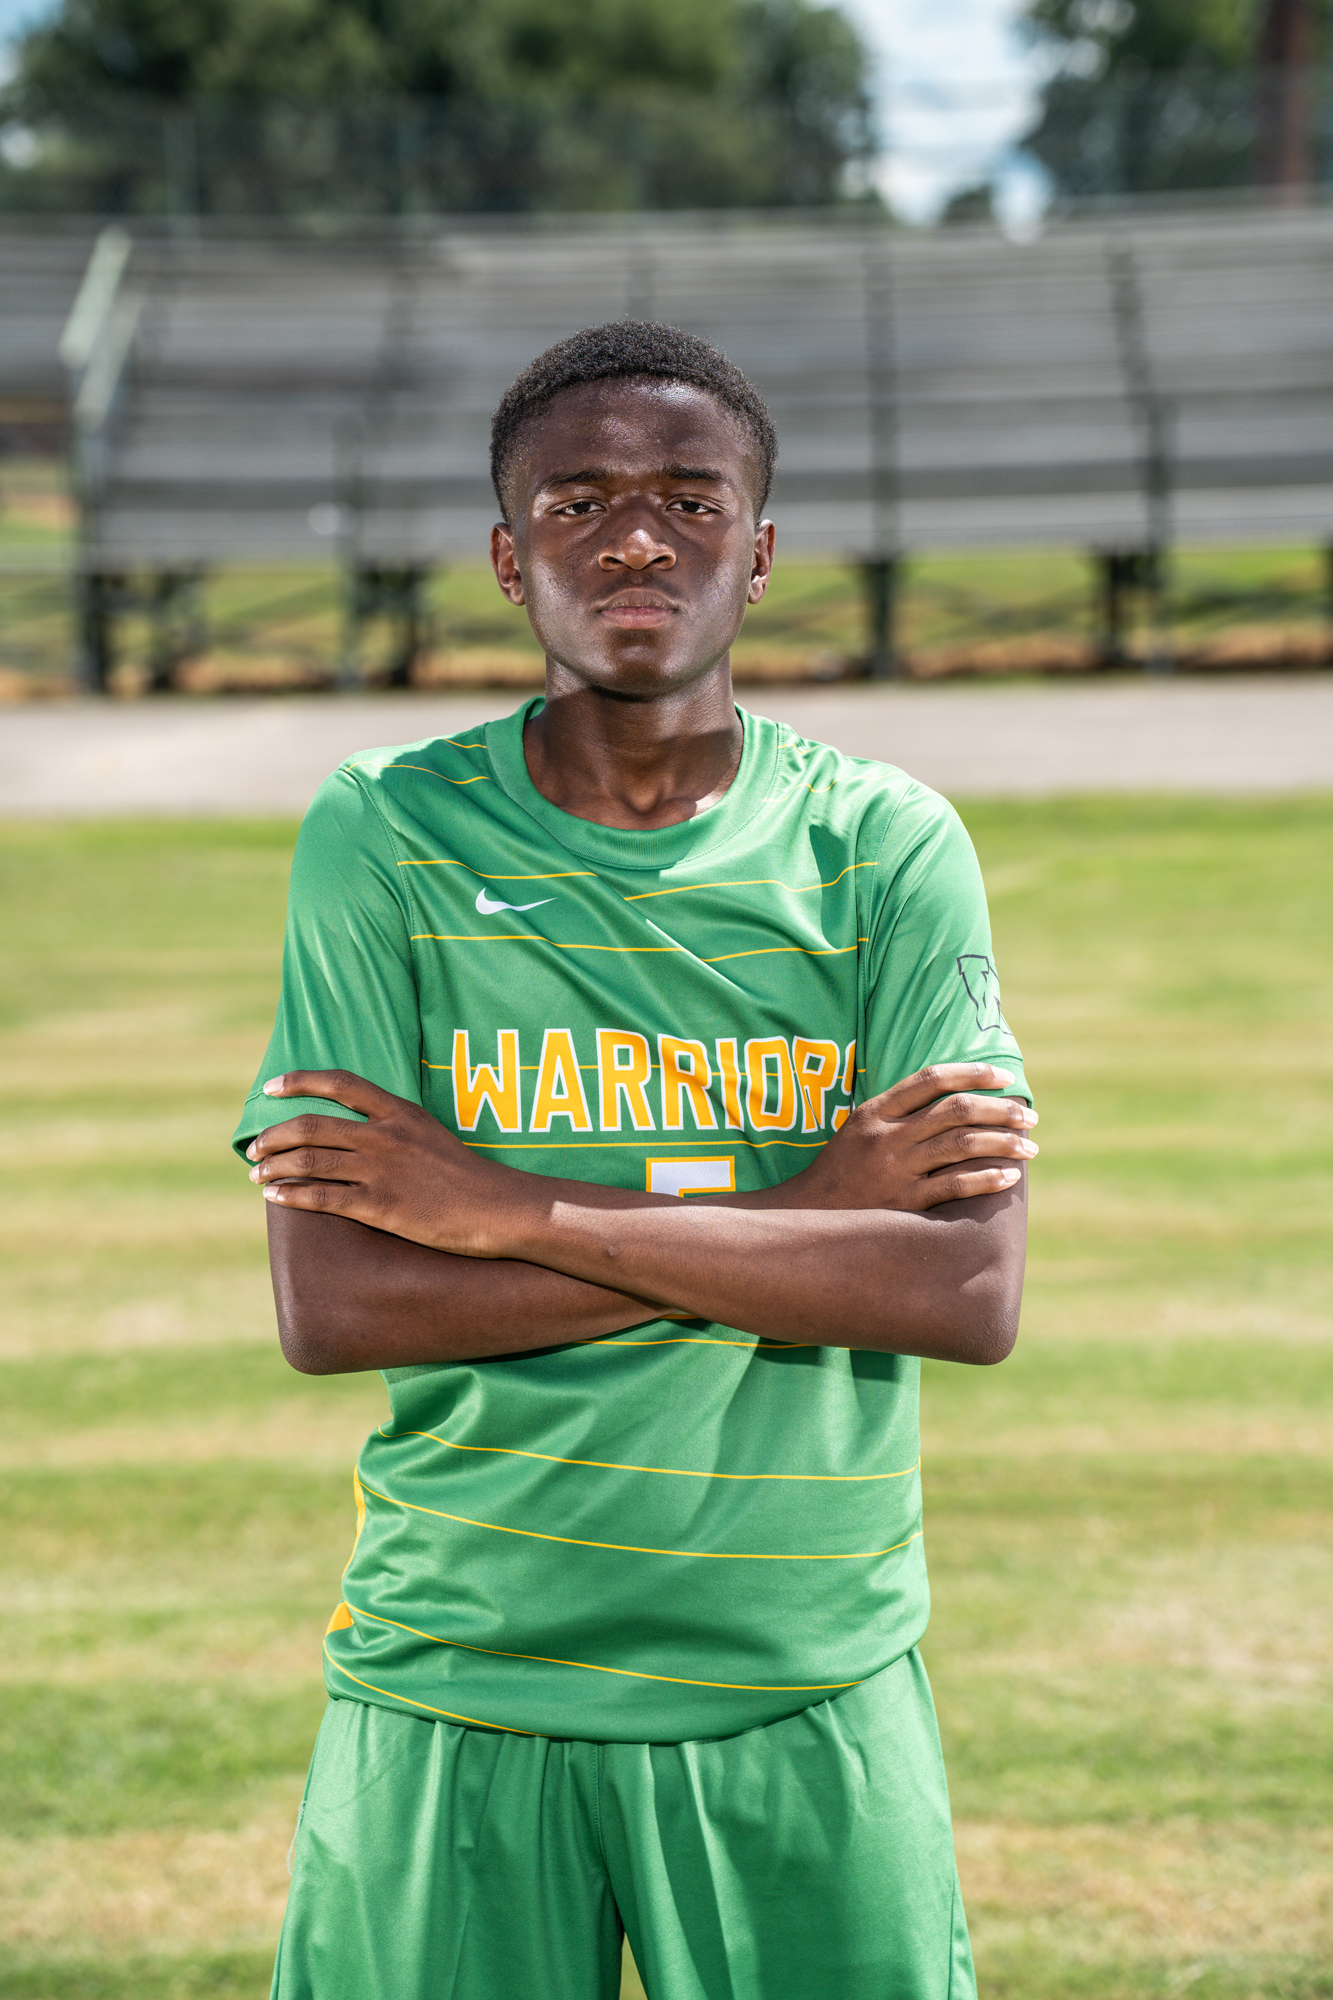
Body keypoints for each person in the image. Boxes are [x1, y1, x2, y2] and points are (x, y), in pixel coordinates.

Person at [234, 320, 1036, 2000]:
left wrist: (502, 1212)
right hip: (460, 1663)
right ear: (507, 558)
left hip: (800, 1670)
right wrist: (802, 1221)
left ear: (759, 548)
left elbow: (957, 1291)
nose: (635, 538)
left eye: (688, 496)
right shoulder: (386, 833)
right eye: (577, 500)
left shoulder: (880, 846)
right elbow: (341, 1304)